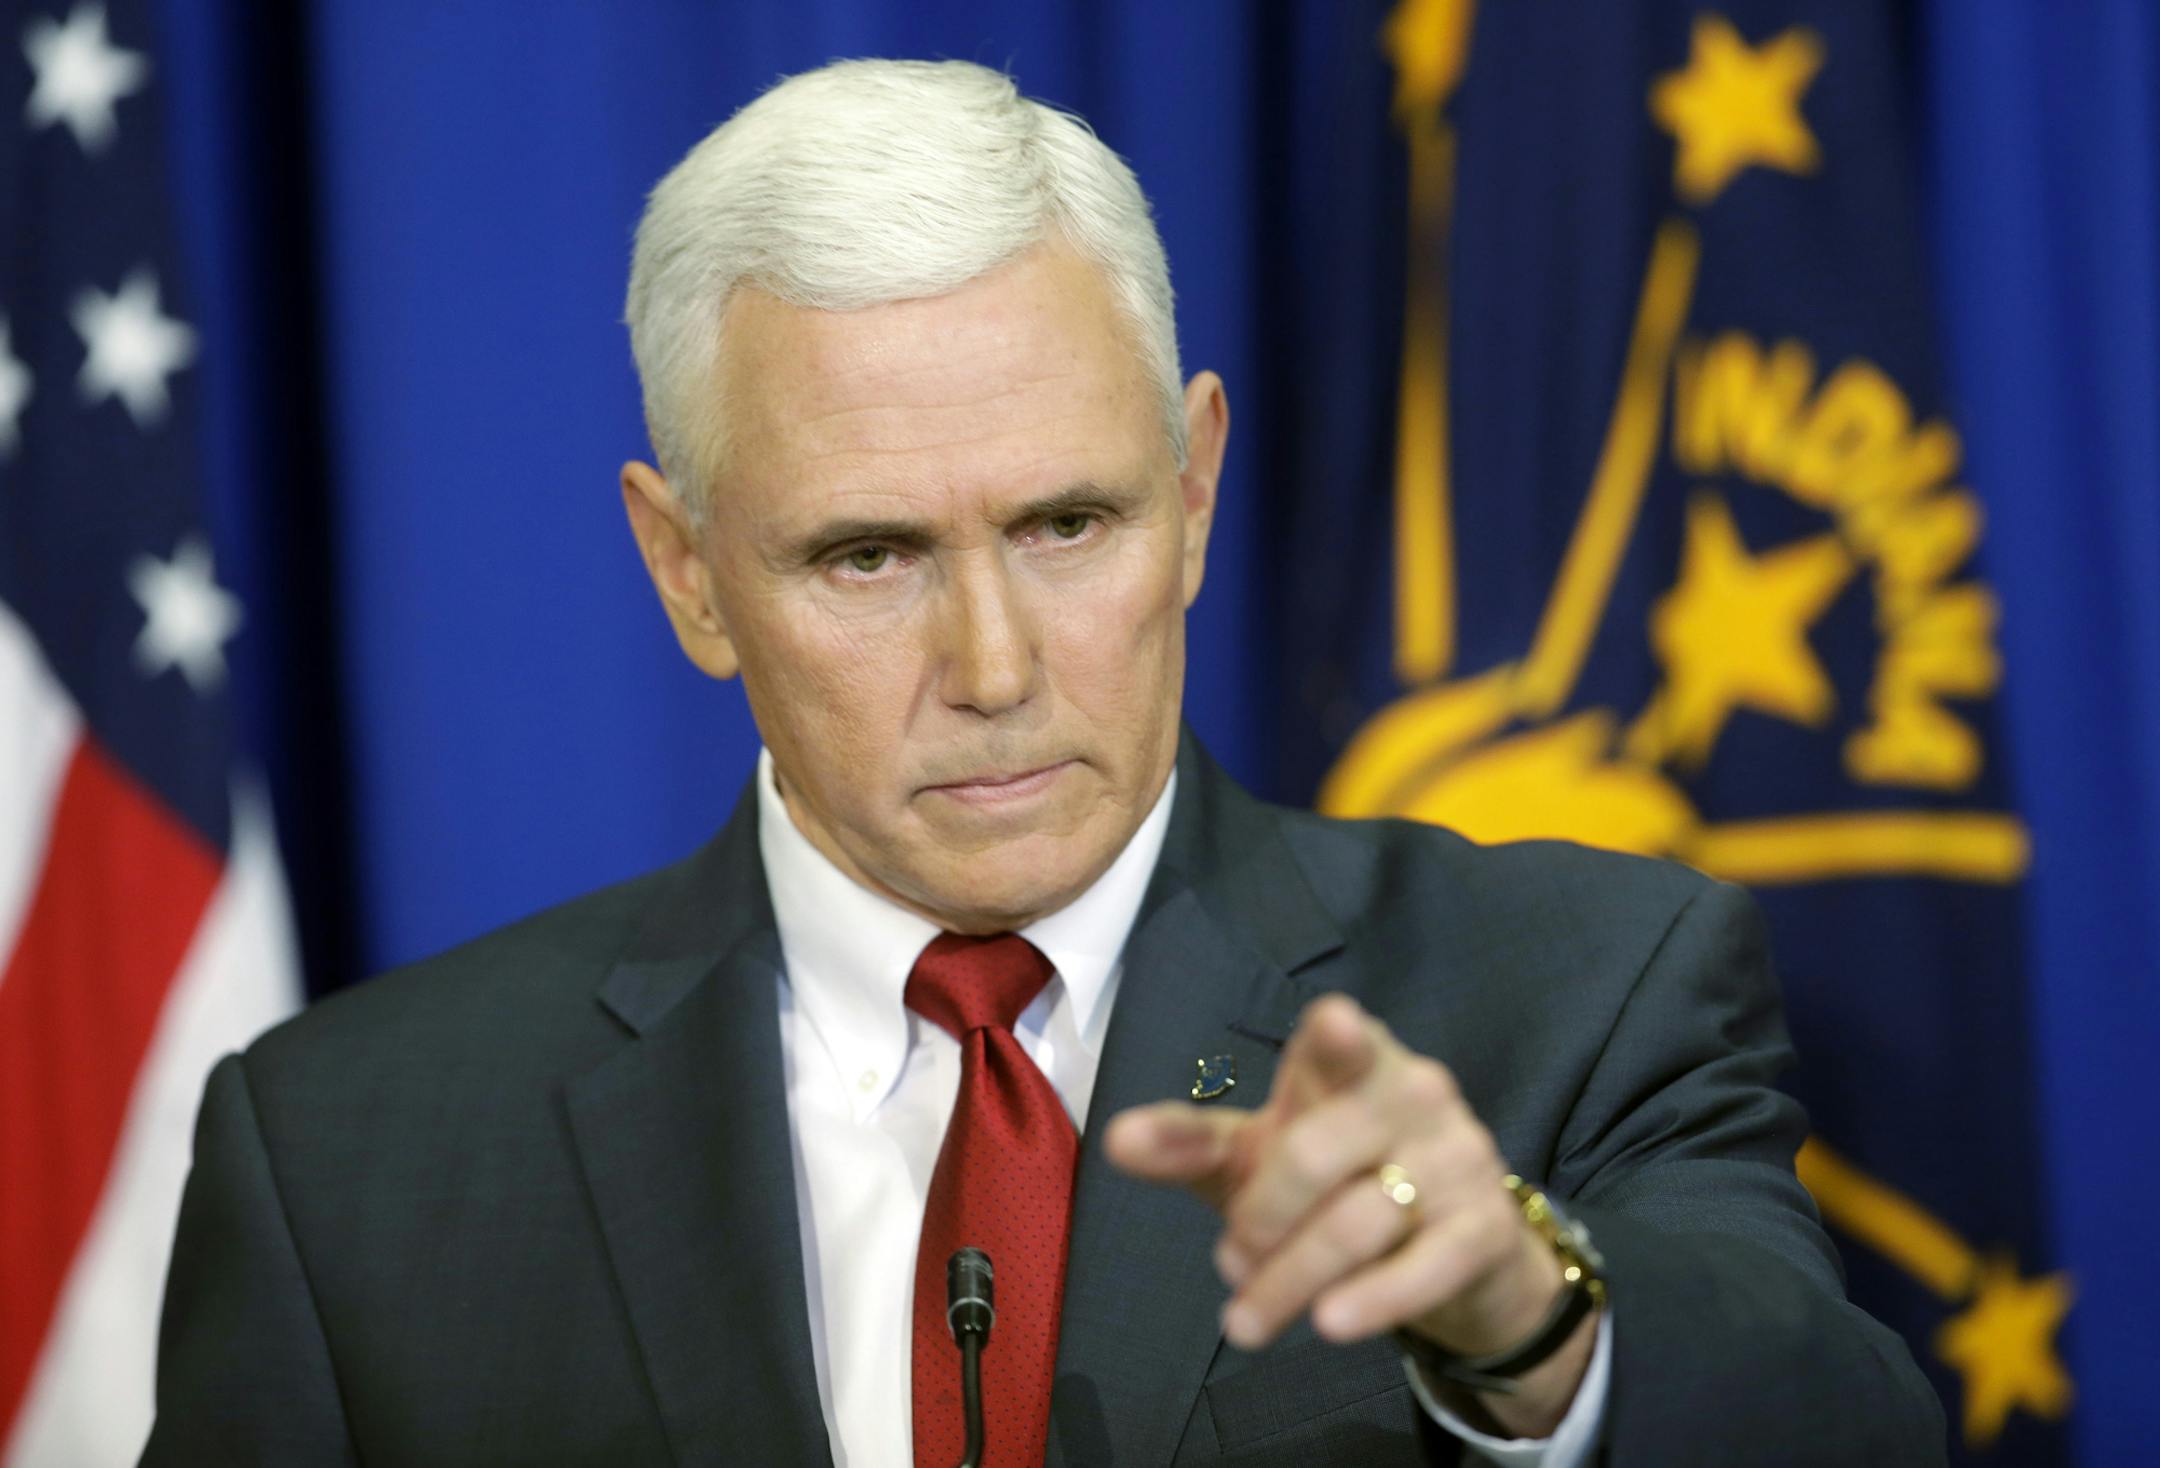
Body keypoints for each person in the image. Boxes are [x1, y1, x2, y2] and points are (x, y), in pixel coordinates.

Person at [142, 59, 1944, 1466]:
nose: (993, 668)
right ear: (687, 574)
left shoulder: (1573, 998)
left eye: (1069, 523)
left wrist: (1529, 1323)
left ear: (1196, 491)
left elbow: (1843, 1436)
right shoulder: (350, 1156)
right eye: (868, 558)